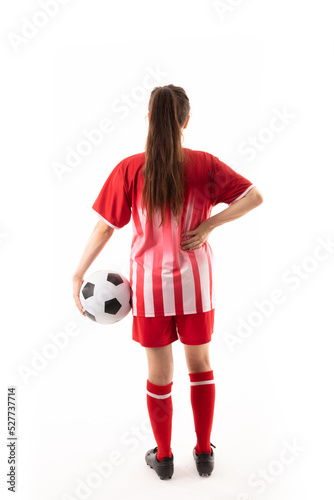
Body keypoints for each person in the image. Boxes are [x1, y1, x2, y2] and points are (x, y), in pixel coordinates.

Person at [72, 84, 263, 480]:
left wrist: (78, 273)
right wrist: (210, 224)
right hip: (196, 284)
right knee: (201, 365)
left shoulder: (130, 168)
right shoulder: (205, 164)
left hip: (148, 289)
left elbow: (105, 229)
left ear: (148, 119)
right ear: (185, 122)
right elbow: (253, 196)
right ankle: (204, 452)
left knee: (160, 374)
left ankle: (163, 458)